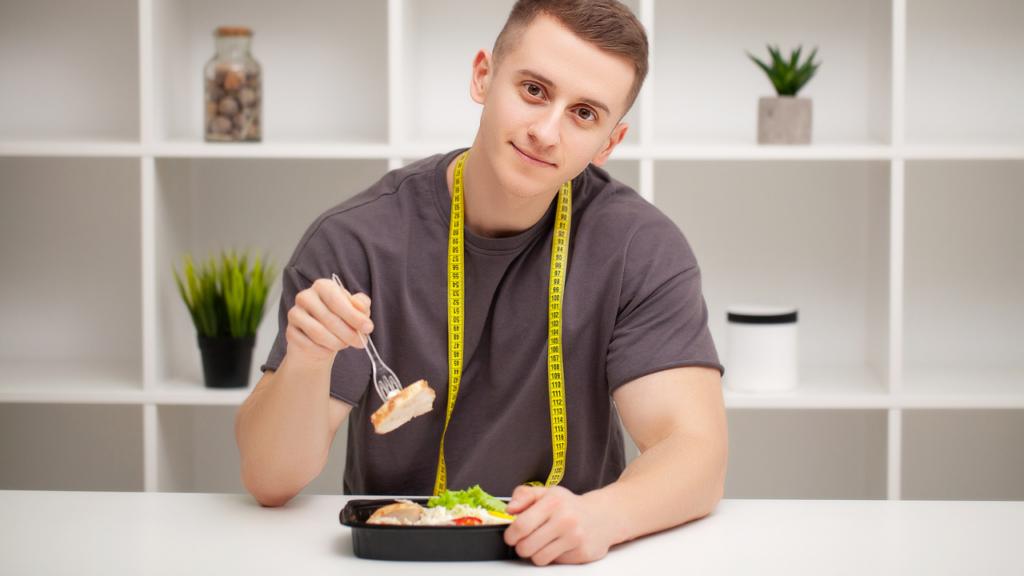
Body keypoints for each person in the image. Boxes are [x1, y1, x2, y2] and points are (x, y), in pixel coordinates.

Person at [235, 0, 727, 566]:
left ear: (609, 144)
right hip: (404, 554)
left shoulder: (641, 247)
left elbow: (696, 451)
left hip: (564, 556)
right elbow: (269, 480)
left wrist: (604, 515)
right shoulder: (356, 240)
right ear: (482, 77)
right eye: (534, 90)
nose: (546, 132)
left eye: (584, 114)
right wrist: (307, 359)